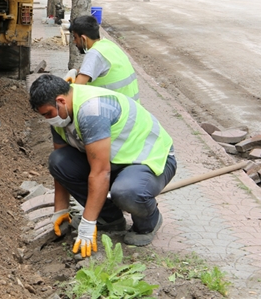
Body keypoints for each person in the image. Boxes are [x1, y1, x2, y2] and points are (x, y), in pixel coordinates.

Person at [29, 74, 177, 257]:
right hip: (115, 162)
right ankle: (110, 218)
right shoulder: (62, 113)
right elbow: (61, 164)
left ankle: (148, 222)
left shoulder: (92, 111)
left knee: (126, 192)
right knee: (58, 162)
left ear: (60, 100)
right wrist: (61, 209)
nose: (48, 120)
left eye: (48, 114)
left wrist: (87, 223)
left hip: (148, 160)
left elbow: (100, 173)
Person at [66, 15, 140, 103]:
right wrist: (76, 72)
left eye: (75, 38)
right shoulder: (108, 45)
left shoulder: (94, 53)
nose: (74, 42)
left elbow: (76, 90)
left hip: (118, 111)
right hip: (132, 106)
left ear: (83, 38)